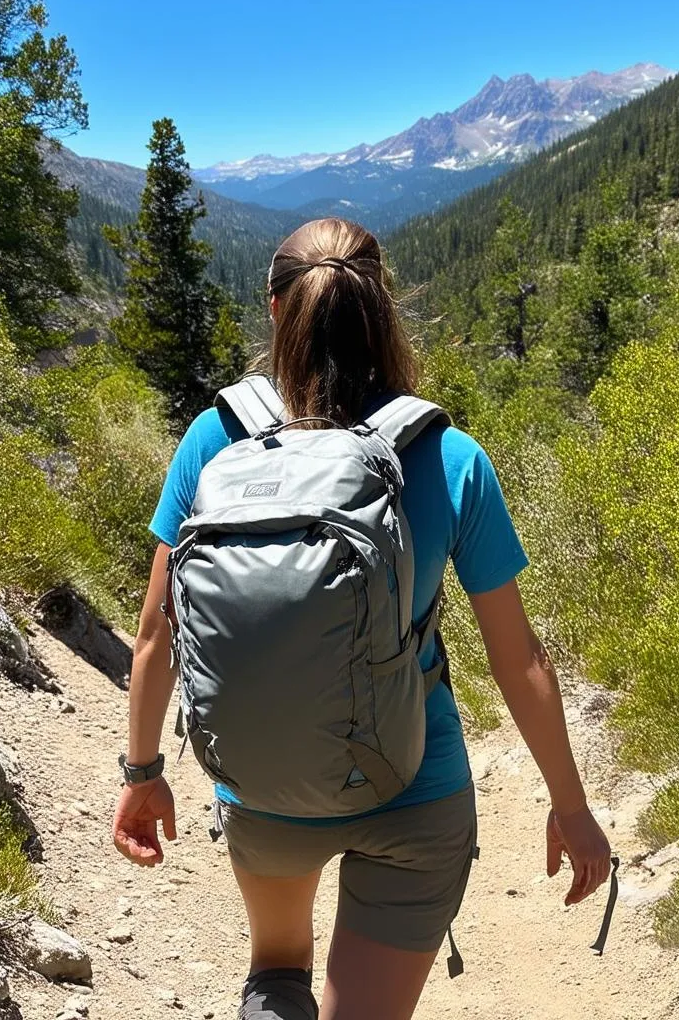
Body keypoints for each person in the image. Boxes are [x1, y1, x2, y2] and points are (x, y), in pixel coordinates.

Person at [111, 217, 613, 1020]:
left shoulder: (216, 437)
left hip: (265, 788)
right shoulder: (450, 456)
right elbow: (521, 662)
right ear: (385, 312)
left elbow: (156, 633)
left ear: (278, 312)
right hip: (416, 785)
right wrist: (571, 805)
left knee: (275, 973)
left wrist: (143, 776)